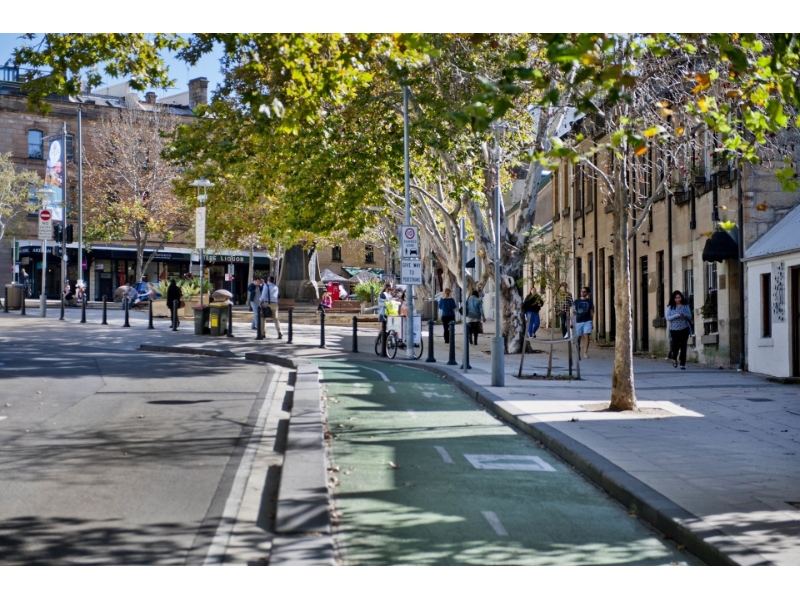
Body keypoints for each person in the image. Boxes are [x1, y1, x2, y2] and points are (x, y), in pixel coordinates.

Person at [666, 289, 693, 370]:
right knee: (675, 346)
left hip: (684, 328)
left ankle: (682, 363)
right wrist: (676, 315)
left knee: (683, 346)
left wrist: (685, 315)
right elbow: (667, 318)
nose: (678, 299)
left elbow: (690, 316)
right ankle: (674, 359)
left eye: (679, 297)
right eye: (676, 298)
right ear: (673, 299)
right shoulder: (670, 307)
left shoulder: (685, 306)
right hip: (674, 329)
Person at [573, 287, 594, 359]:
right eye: (581, 291)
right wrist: (572, 321)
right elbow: (573, 311)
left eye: (584, 292)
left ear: (587, 293)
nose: (582, 293)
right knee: (578, 337)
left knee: (586, 336)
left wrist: (592, 322)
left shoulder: (589, 301)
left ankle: (585, 353)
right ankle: (578, 351)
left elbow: (591, 312)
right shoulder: (576, 301)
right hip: (578, 321)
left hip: (587, 320)